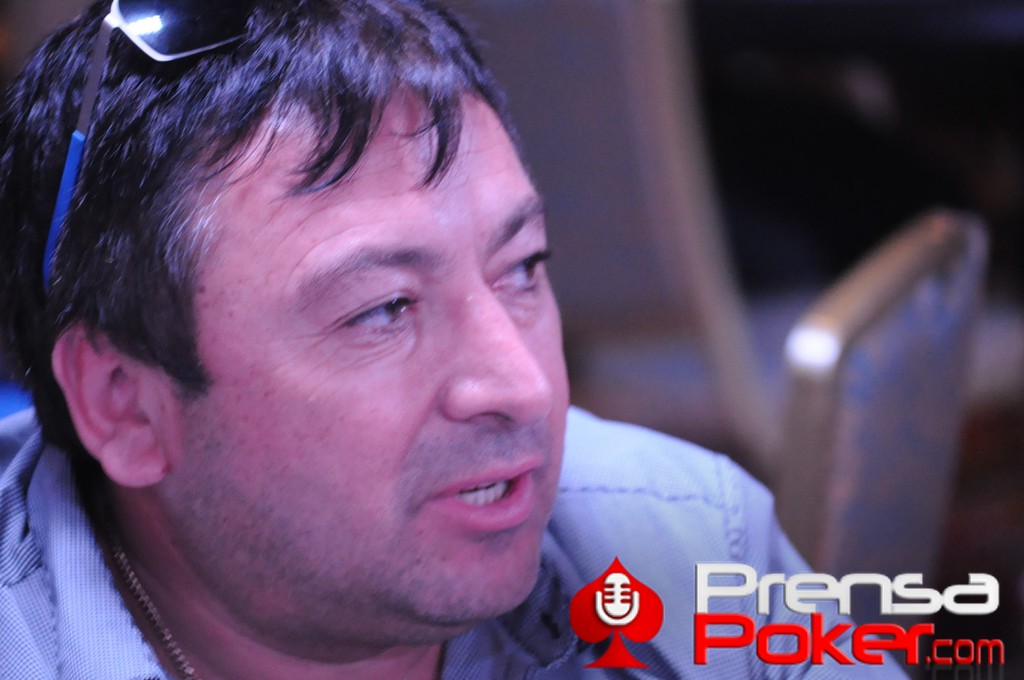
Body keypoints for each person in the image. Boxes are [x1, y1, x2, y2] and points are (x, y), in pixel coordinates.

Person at [0, 1, 907, 678]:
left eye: (522, 268)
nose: (524, 386)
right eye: (383, 310)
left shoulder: (689, 541)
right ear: (125, 406)